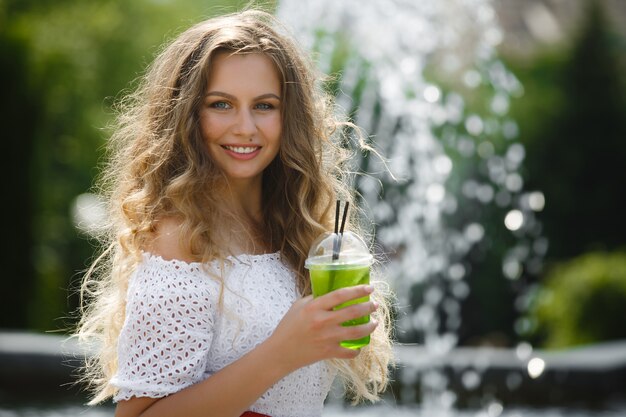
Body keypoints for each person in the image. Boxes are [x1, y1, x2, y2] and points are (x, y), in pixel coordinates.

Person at [76, 8, 394, 417]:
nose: (245, 127)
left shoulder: (298, 230)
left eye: (264, 106)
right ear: (188, 115)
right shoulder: (180, 239)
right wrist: (283, 351)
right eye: (221, 104)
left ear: (289, 117)